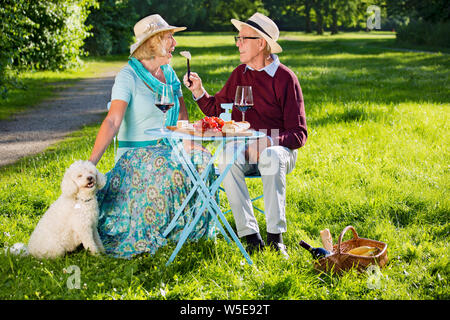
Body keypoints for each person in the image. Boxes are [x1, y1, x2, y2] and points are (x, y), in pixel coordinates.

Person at [88, 14, 216, 259]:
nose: (175, 44)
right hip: (136, 155)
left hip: (170, 148)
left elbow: (182, 115)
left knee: (203, 160)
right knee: (174, 168)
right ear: (153, 43)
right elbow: (113, 120)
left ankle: (185, 230)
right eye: (169, 38)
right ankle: (164, 230)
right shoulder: (128, 76)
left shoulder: (168, 73)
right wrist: (91, 164)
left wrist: (190, 142)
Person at [183, 12, 307, 259]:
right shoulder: (240, 73)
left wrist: (270, 141)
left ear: (261, 43)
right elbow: (217, 110)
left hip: (280, 151)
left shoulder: (285, 78)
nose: (237, 44)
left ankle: (275, 239)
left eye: (243, 39)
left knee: (270, 156)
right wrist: (199, 91)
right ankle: (251, 237)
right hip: (247, 151)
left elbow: (299, 134)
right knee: (227, 155)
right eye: (237, 38)